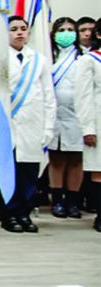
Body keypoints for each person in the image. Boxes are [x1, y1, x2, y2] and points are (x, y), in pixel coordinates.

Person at [0, 16, 55, 233]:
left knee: (29, 173)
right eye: (13, 29)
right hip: (9, 126)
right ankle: (9, 214)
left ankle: (25, 214)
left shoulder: (39, 60)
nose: (19, 32)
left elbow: (49, 96)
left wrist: (48, 127)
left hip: (34, 124)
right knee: (10, 173)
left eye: (23, 29)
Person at [47, 17, 84, 219]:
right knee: (57, 159)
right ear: (54, 34)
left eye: (71, 29)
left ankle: (73, 202)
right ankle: (58, 201)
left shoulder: (83, 57)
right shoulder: (48, 56)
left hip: (77, 115)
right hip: (55, 114)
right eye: (62, 29)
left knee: (76, 158)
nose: (66, 33)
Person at [74, 17, 101, 232]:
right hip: (98, 121)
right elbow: (83, 97)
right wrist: (88, 128)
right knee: (99, 171)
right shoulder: (89, 60)